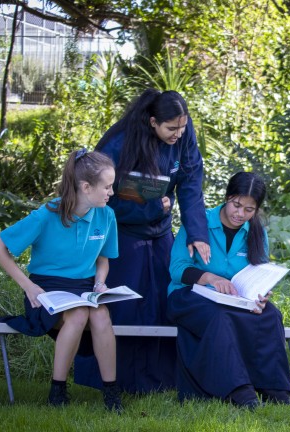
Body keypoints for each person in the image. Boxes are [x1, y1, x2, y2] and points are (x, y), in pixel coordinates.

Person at [74, 89, 210, 394]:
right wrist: (149, 207)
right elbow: (97, 197)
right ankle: (114, 380)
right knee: (124, 303)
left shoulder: (183, 135)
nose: (178, 134)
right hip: (121, 232)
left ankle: (161, 380)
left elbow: (190, 183)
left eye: (183, 128)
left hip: (160, 231)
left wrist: (197, 234)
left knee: (163, 301)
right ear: (152, 122)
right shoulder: (118, 143)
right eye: (171, 129)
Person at [0, 149, 123, 411]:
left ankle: (111, 393)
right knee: (79, 315)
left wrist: (100, 283)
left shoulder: (107, 216)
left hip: (85, 288)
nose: (112, 192)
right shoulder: (47, 213)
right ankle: (57, 391)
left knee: (101, 315)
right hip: (45, 289)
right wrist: (28, 287)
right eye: (107, 186)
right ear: (85, 187)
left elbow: (103, 260)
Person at [167, 171, 290, 408]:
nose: (240, 214)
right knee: (220, 317)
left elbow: (259, 273)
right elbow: (177, 269)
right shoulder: (199, 222)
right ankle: (239, 392)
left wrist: (262, 295)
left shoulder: (257, 232)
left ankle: (275, 390)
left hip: (235, 299)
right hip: (188, 295)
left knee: (270, 315)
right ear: (228, 197)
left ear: (257, 210)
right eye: (236, 205)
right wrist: (210, 277)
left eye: (249, 210)